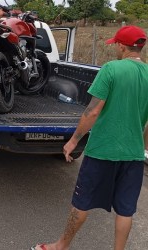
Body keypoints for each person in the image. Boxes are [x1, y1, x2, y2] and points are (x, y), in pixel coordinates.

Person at [31, 25, 148, 250]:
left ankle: (60, 246)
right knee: (125, 210)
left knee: (81, 202)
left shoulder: (111, 69)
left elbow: (92, 111)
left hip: (103, 150)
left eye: (116, 44)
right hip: (132, 154)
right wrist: (141, 145)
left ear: (122, 46)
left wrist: (74, 140)